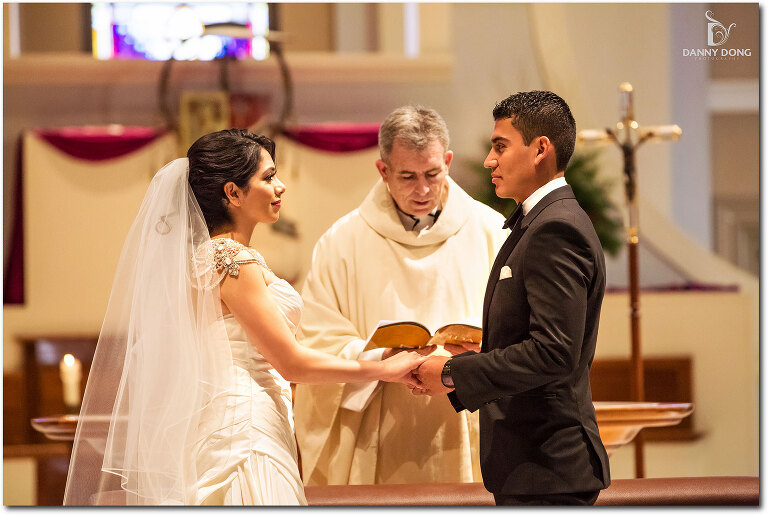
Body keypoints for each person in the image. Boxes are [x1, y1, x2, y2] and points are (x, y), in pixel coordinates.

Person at [63, 129, 429, 506]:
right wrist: (384, 370)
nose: (281, 186)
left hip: (230, 417)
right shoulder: (233, 260)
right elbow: (291, 363)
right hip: (246, 429)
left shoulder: (207, 258)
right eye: (268, 177)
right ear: (233, 193)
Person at [293, 106, 507, 485]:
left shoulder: (492, 232)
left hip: (466, 416)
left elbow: (519, 332)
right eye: (407, 176)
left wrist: (468, 355)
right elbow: (317, 338)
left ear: (448, 161)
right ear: (383, 170)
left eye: (432, 174)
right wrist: (383, 357)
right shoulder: (343, 242)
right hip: (376, 422)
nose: (422, 190)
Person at [415, 91, 611, 505]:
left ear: (541, 149)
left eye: (500, 146)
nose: (489, 160)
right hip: (534, 469)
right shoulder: (535, 222)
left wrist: (452, 371)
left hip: (549, 469)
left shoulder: (556, 229)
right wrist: (488, 348)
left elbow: (554, 353)